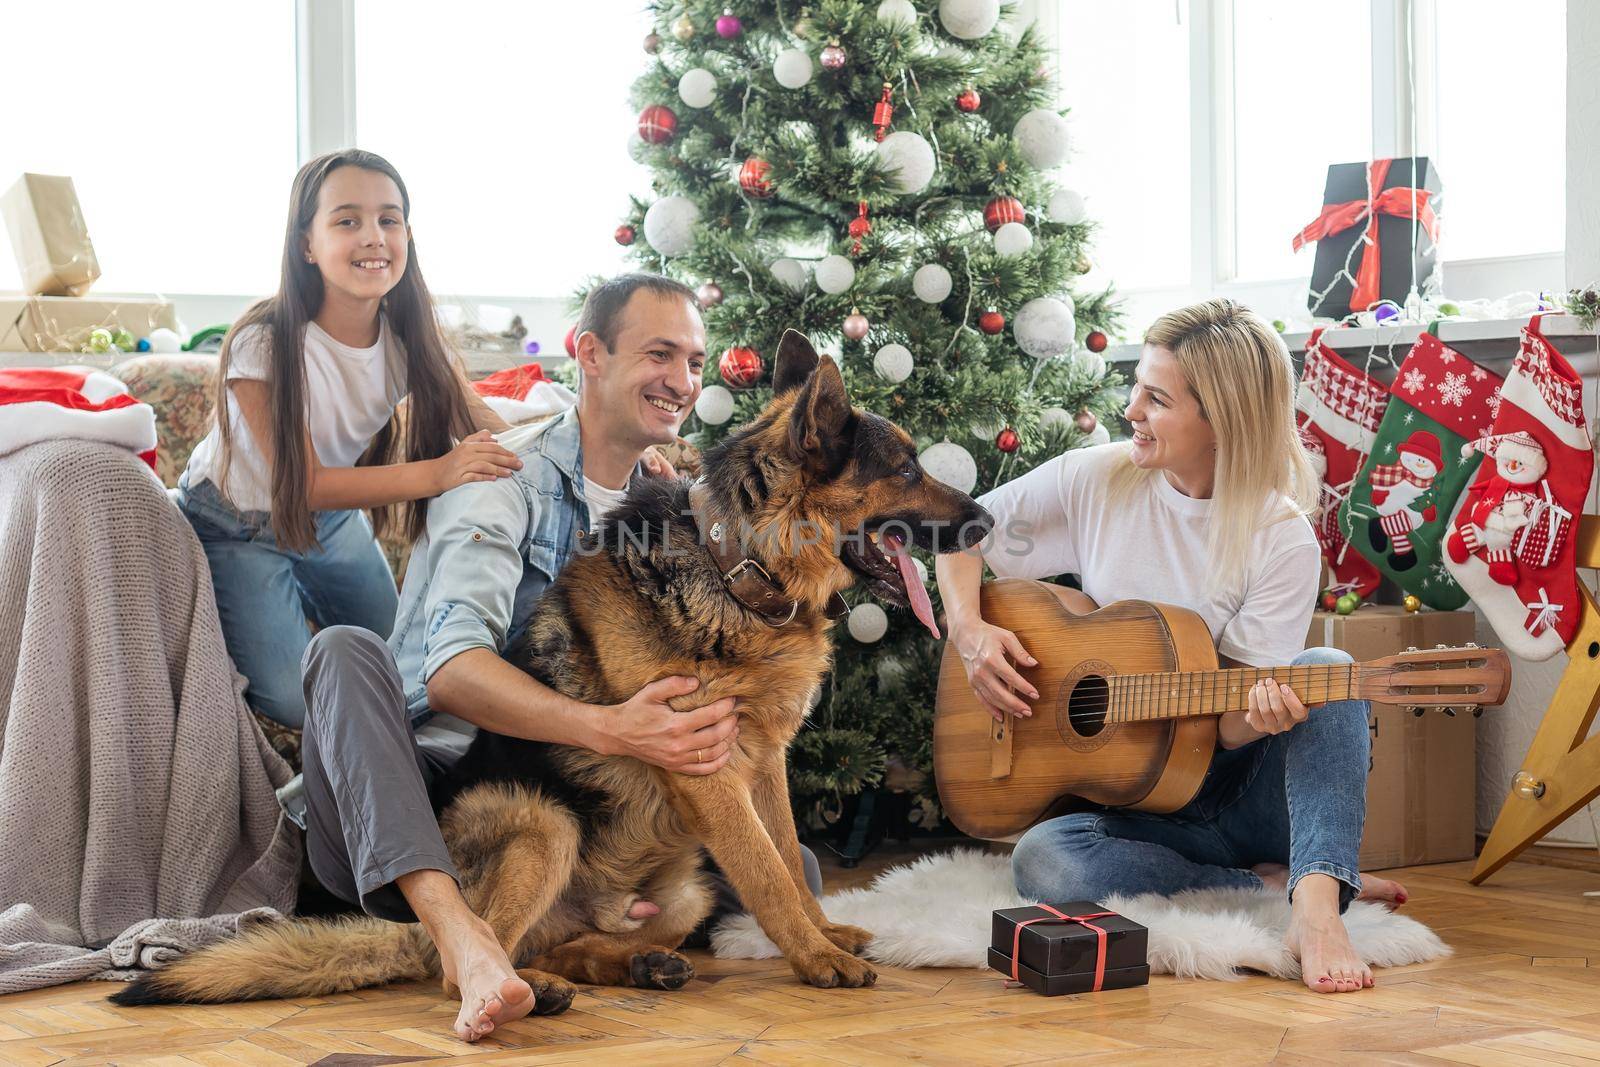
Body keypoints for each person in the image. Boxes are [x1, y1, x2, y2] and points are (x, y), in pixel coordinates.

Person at [296, 273, 821, 1044]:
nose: (682, 381)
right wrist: (615, 729)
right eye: (659, 354)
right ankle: (463, 936)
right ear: (590, 355)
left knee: (792, 869)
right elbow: (452, 672)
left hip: (568, 804)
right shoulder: (504, 481)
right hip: (422, 791)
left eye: (697, 362)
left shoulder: (671, 502)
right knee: (343, 649)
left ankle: (581, 938)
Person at [935, 298, 1408, 996]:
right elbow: (957, 530)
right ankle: (1261, 880)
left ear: (1222, 418)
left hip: (1237, 785)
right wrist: (972, 634)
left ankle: (1314, 907)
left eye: (1156, 399)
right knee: (1047, 863)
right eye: (1137, 389)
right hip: (1140, 801)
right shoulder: (1096, 477)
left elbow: (1225, 725)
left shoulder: (1277, 537)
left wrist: (1259, 714)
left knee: (1329, 674)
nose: (1130, 411)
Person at [177, 149, 521, 728]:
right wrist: (441, 472)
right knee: (292, 700)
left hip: (330, 524)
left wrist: (598, 451)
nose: (374, 237)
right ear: (307, 244)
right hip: (237, 525)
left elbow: (482, 419)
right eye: (347, 221)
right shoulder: (259, 345)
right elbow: (305, 485)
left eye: (389, 220)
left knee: (395, 664)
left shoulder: (408, 337)